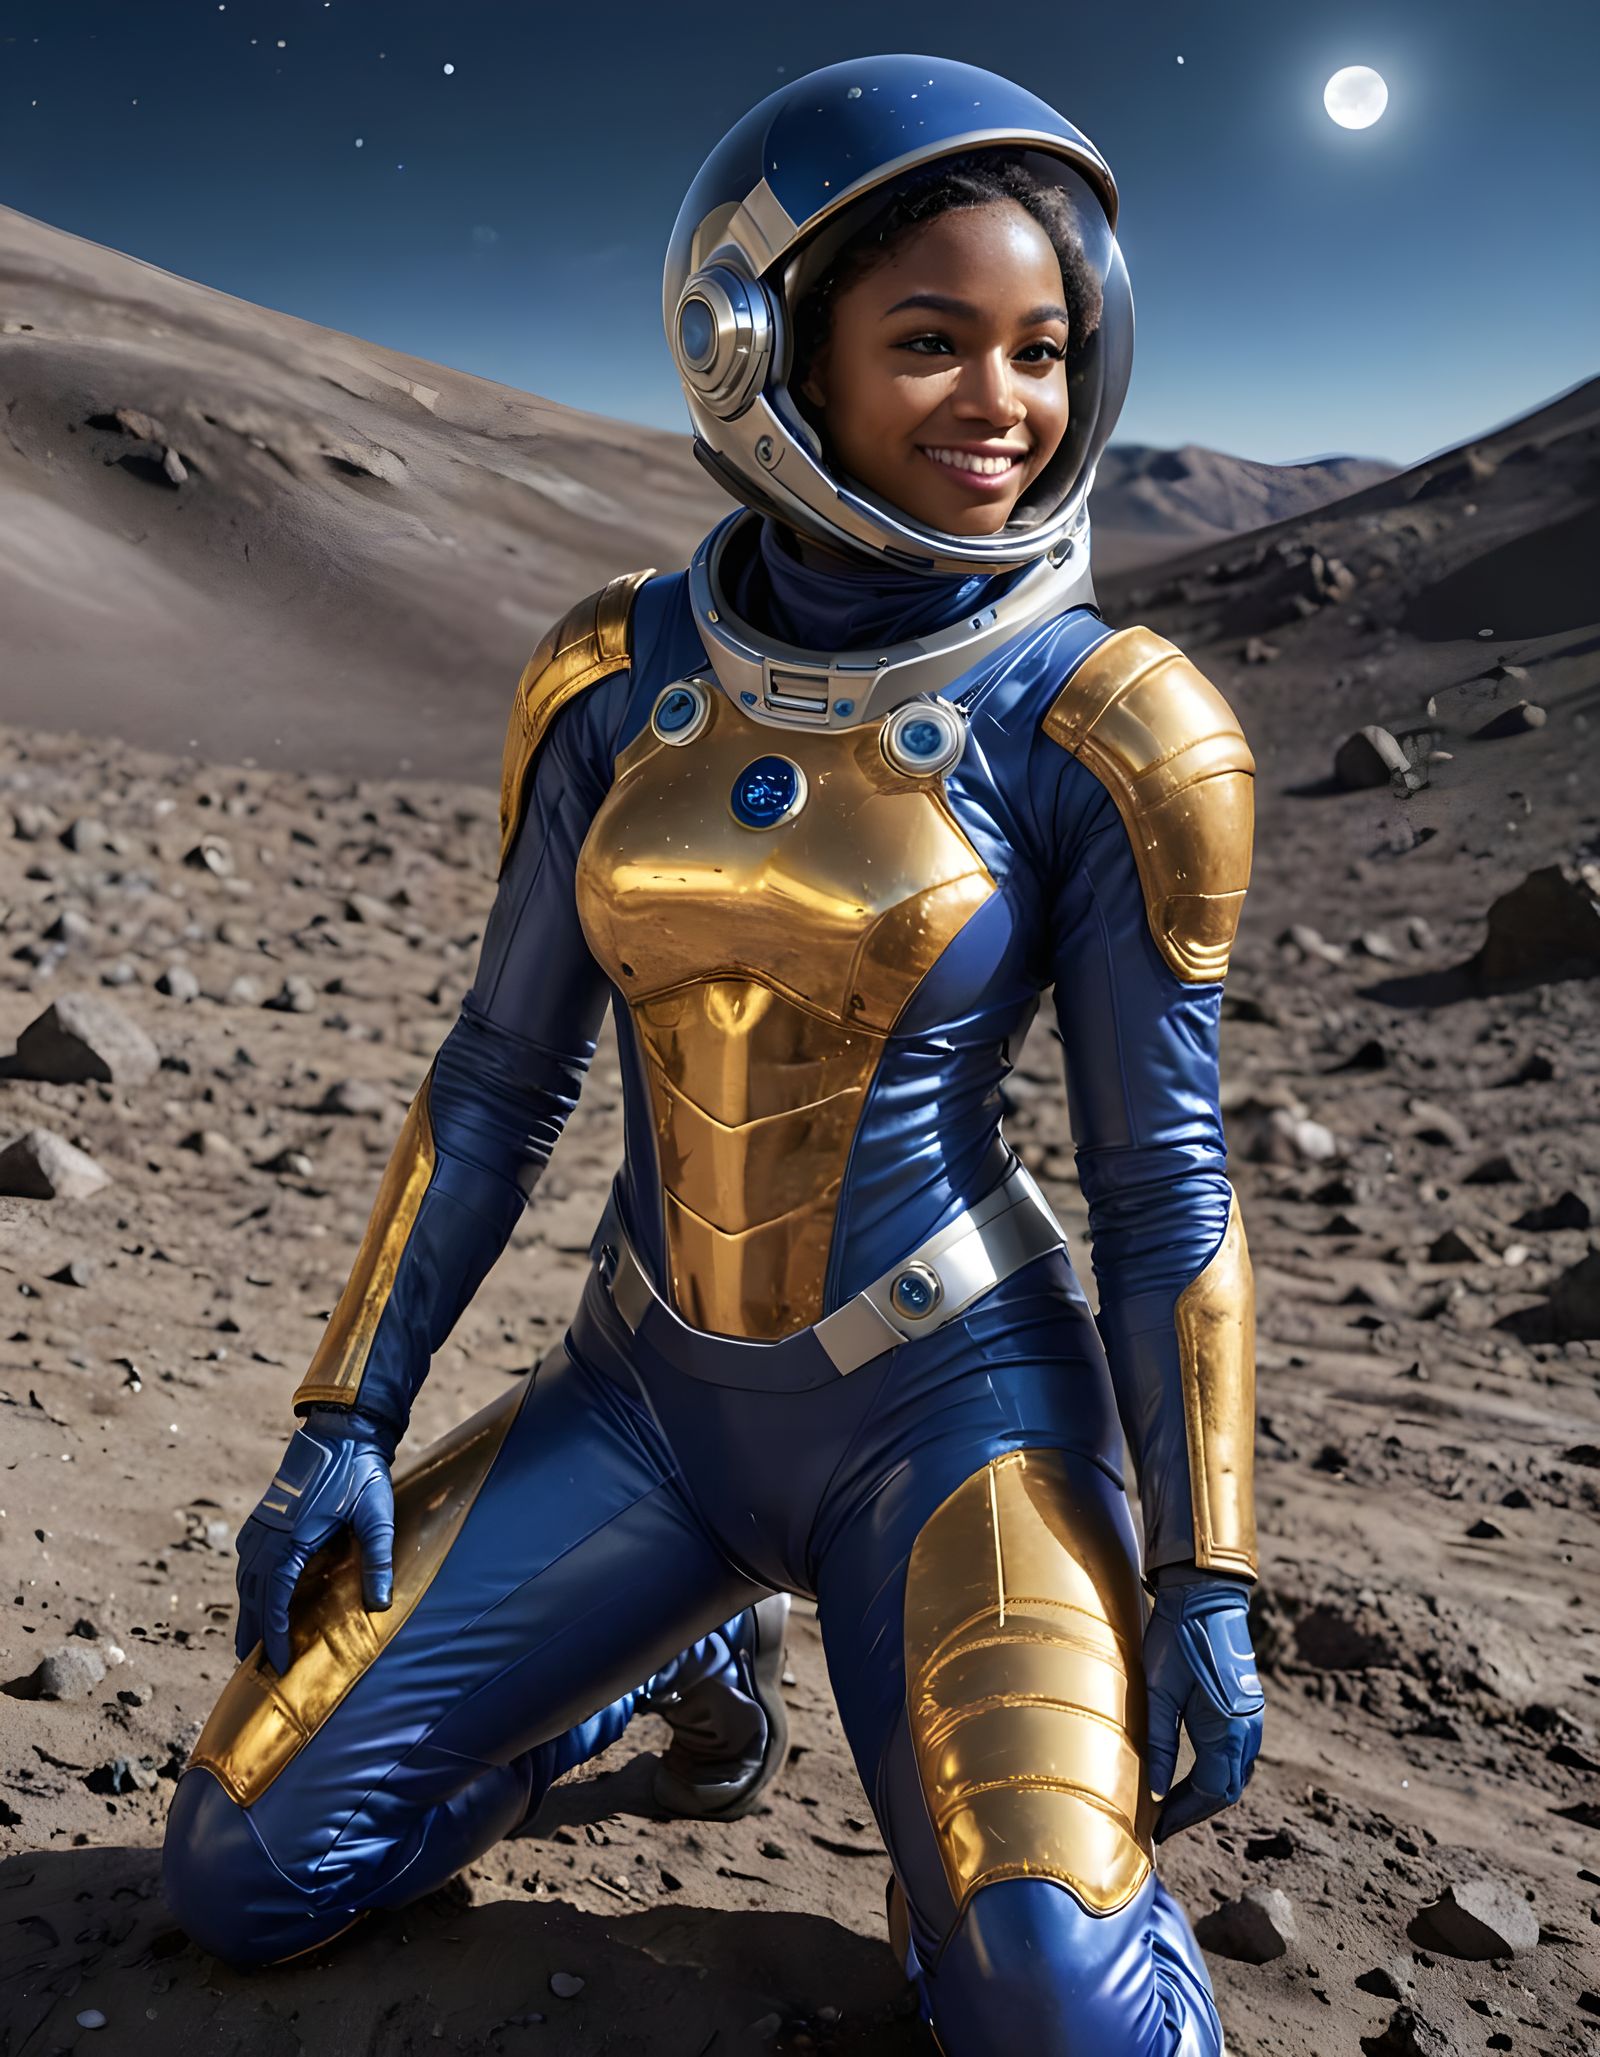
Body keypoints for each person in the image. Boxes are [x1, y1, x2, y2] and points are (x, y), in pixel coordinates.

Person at [162, 52, 1264, 2054]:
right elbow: (500, 1078)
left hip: (948, 1417)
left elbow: (1155, 1180)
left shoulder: (1110, 718)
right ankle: (639, 1669)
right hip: (645, 1391)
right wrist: (344, 1414)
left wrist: (1201, 1570)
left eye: (1038, 351)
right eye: (928, 342)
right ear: (756, 348)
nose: (1000, 408)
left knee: (1053, 2019)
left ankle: (1013, 1897)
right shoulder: (610, 672)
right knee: (246, 1867)